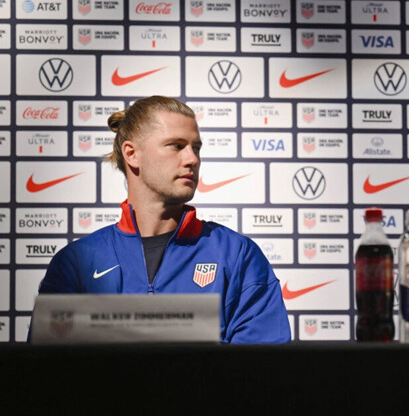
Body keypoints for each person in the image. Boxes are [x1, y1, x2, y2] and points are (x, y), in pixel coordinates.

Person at [35, 95, 291, 344]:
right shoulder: (76, 262)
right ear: (132, 154)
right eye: (176, 146)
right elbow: (49, 375)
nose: (192, 159)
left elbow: (262, 373)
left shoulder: (237, 255)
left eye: (196, 148)